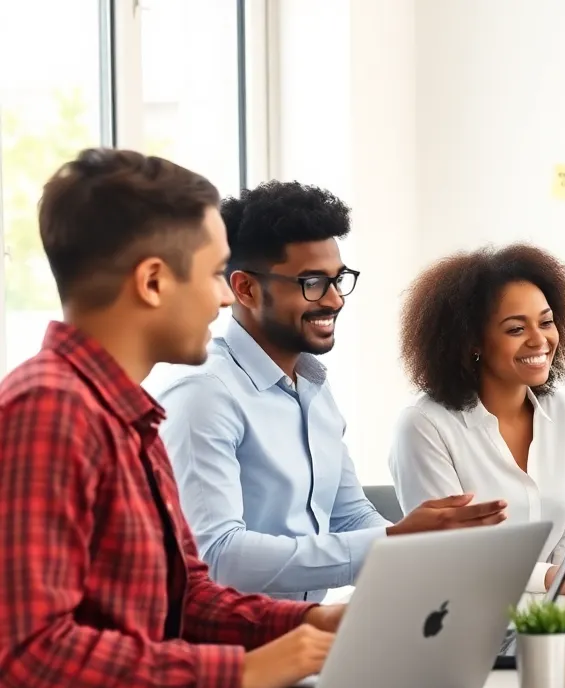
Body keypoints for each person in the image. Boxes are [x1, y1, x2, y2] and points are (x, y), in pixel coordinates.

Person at [0, 149, 345, 688]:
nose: (222, 299)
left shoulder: (129, 414)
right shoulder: (49, 409)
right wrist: (238, 672)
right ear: (154, 281)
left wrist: (309, 623)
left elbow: (187, 598)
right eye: (215, 274)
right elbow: (29, 652)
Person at [158, 181, 505, 604]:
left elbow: (348, 516)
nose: (336, 299)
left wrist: (422, 554)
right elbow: (219, 556)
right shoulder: (204, 395)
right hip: (233, 654)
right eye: (312, 283)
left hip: (305, 637)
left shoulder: (314, 388)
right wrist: (392, 540)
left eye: (338, 279)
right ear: (245, 289)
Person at [388, 244, 565, 596]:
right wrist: (554, 578)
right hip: (460, 613)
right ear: (473, 342)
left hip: (553, 614)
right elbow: (451, 555)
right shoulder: (424, 426)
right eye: (516, 329)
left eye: (546, 322)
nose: (540, 340)